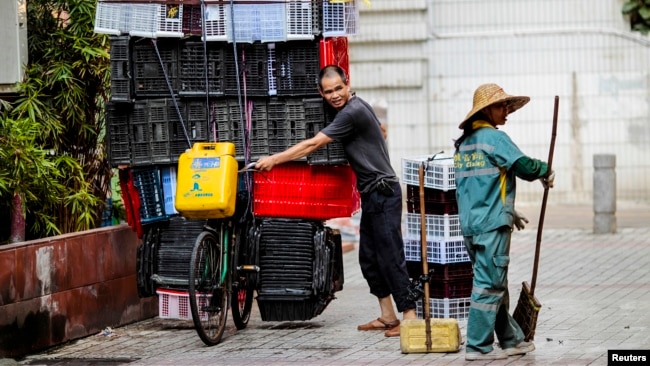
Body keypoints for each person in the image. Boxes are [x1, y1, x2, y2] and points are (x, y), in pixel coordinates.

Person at [255, 65, 416, 337]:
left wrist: (274, 159)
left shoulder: (352, 112)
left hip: (384, 192)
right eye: (328, 91)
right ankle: (388, 316)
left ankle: (410, 315)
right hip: (372, 194)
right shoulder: (352, 108)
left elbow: (312, 145)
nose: (334, 95)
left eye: (338, 88)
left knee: (390, 256)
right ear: (321, 92)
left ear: (347, 84)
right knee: (368, 258)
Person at [453, 83, 555, 361]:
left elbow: (478, 188)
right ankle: (478, 347)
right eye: (502, 106)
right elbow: (524, 167)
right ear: (487, 110)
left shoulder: (464, 145)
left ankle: (511, 339)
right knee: (489, 286)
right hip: (491, 227)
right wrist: (545, 169)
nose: (507, 112)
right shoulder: (494, 138)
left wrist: (511, 211)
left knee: (494, 282)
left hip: (472, 227)